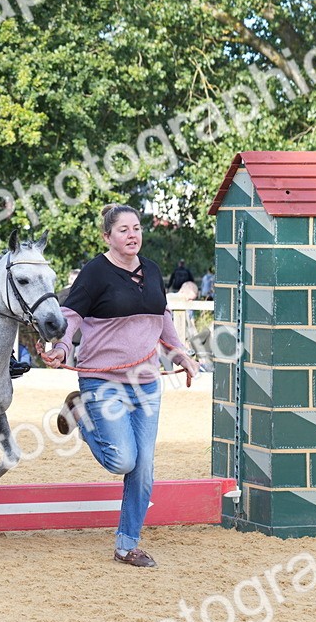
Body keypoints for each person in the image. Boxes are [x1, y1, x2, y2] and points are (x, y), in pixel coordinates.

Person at [42, 204, 200, 568]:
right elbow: (71, 317)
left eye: (137, 228)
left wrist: (181, 355)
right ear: (107, 237)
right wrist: (62, 347)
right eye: (124, 230)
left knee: (143, 468)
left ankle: (127, 545)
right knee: (122, 460)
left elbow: (163, 318)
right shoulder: (95, 273)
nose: (133, 235)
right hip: (102, 379)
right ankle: (81, 413)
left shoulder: (153, 271)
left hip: (145, 383)